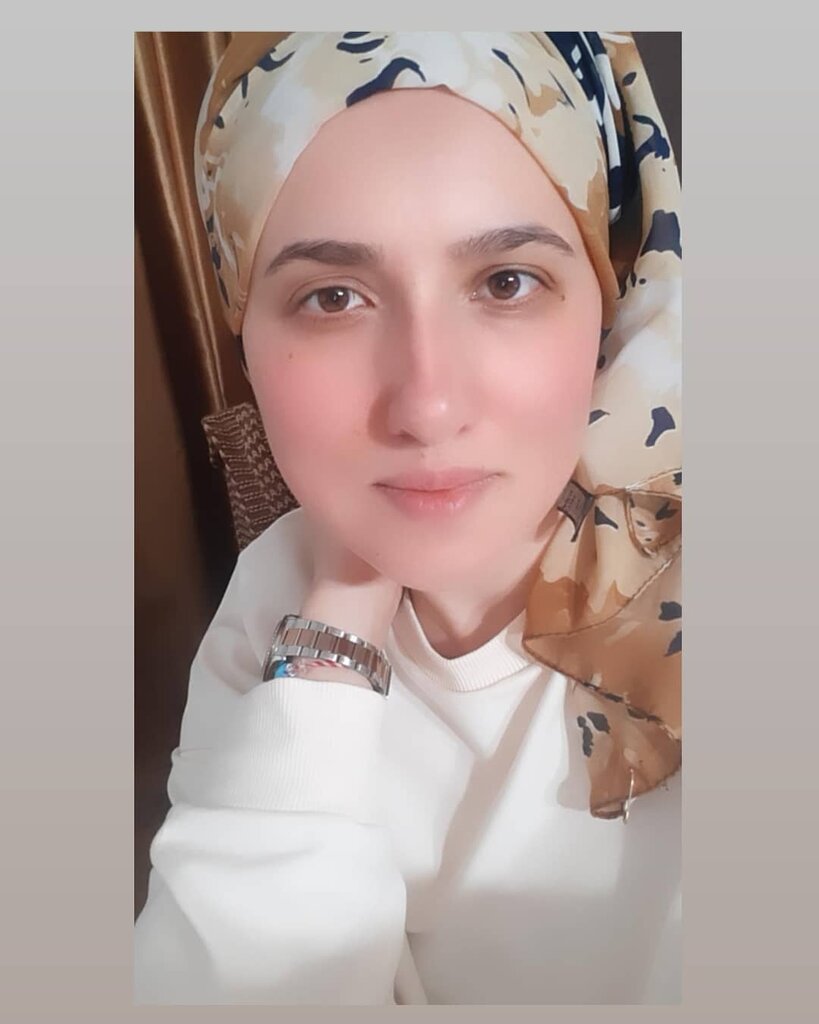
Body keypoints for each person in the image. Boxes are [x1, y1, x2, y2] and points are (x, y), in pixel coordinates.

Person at [134, 31, 681, 1005]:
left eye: (506, 282)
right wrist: (334, 637)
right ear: (244, 336)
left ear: (608, 306)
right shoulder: (278, 588)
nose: (426, 406)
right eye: (333, 297)